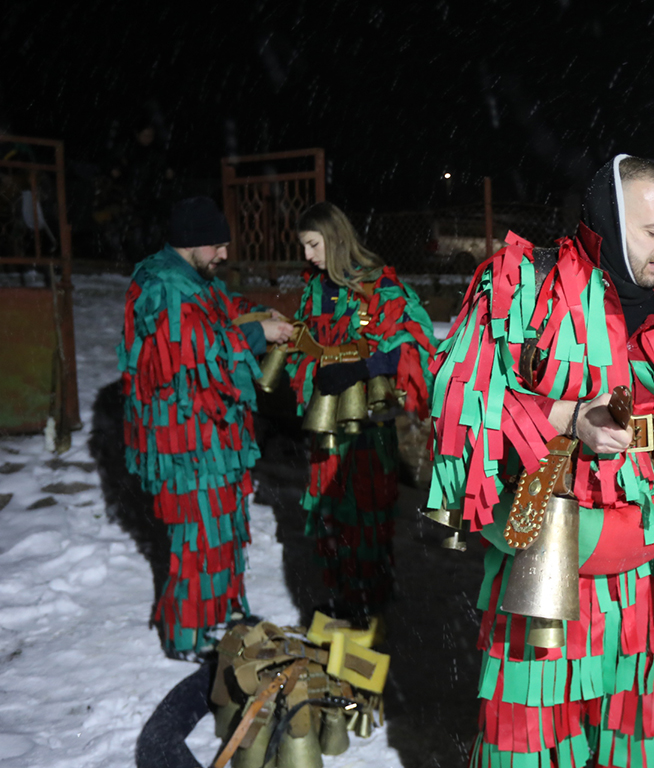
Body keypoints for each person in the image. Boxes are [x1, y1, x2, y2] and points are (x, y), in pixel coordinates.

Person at [427, 156, 654, 767]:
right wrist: (570, 418)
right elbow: (461, 403)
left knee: (638, 743)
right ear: (609, 219)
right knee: (530, 740)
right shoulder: (524, 284)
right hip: (545, 576)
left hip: (646, 583)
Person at [118, 196, 294, 657]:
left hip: (215, 436)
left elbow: (221, 307)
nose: (223, 254)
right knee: (196, 535)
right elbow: (200, 352)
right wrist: (259, 335)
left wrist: (258, 313)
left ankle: (225, 611)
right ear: (191, 242)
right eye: (216, 245)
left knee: (226, 525)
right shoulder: (163, 285)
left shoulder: (194, 277)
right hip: (184, 441)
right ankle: (186, 636)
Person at [284, 201, 436, 619]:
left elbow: (413, 347)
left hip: (368, 425)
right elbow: (304, 341)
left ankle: (370, 599)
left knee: (364, 510)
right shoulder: (315, 288)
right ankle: (348, 595)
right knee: (329, 509)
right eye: (304, 246)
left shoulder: (379, 285)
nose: (308, 256)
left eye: (313, 245)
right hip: (325, 422)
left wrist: (361, 367)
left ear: (333, 240)